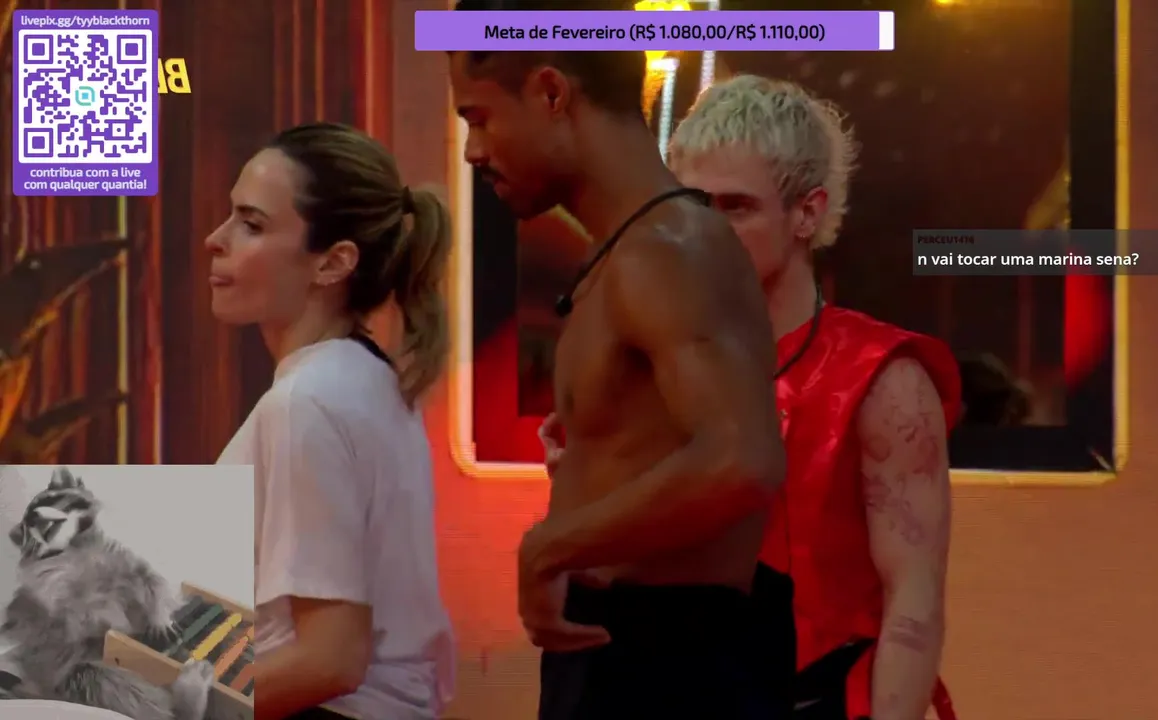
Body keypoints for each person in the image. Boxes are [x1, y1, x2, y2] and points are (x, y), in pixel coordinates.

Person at [543, 75, 964, 720]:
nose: (707, 231)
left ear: (807, 213)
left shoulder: (882, 379)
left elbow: (913, 600)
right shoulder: (641, 360)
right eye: (694, 206)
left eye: (736, 207)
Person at [448, 3, 793, 719]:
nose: (472, 152)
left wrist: (549, 547)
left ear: (551, 92)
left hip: (670, 668)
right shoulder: (631, 251)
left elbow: (744, 459)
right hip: (628, 653)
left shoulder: (669, 249)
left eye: (479, 118)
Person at [208, 122, 456, 720]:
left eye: (252, 224)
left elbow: (331, 659)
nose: (216, 240)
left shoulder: (308, 400)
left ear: (333, 262)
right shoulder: (365, 379)